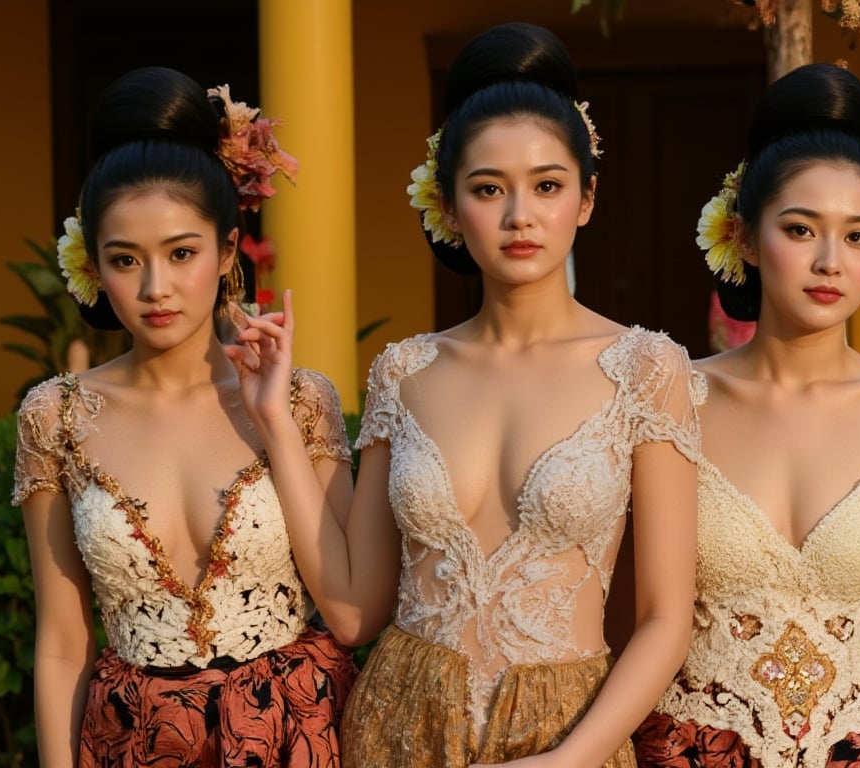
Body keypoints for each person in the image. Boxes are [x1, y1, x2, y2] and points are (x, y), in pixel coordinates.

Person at [225, 22, 701, 768]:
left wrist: (568, 760)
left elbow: (668, 618)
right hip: (399, 724)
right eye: (489, 189)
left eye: (547, 185)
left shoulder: (648, 368)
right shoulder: (404, 371)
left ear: (586, 198)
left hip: (568, 734)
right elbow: (353, 611)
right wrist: (274, 423)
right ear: (448, 206)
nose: (520, 216)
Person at [13, 66, 357, 767]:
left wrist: (276, 424)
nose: (154, 288)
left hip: (295, 736)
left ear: (228, 250)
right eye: (124, 260)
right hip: (132, 742)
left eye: (181, 253)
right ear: (94, 268)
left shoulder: (300, 401)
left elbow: (348, 612)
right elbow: (60, 642)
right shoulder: (55, 416)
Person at [633, 63, 860, 767]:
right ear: (746, 239)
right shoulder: (670, 401)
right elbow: (628, 619)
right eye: (800, 229)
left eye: (858, 236)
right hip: (689, 752)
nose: (829, 262)